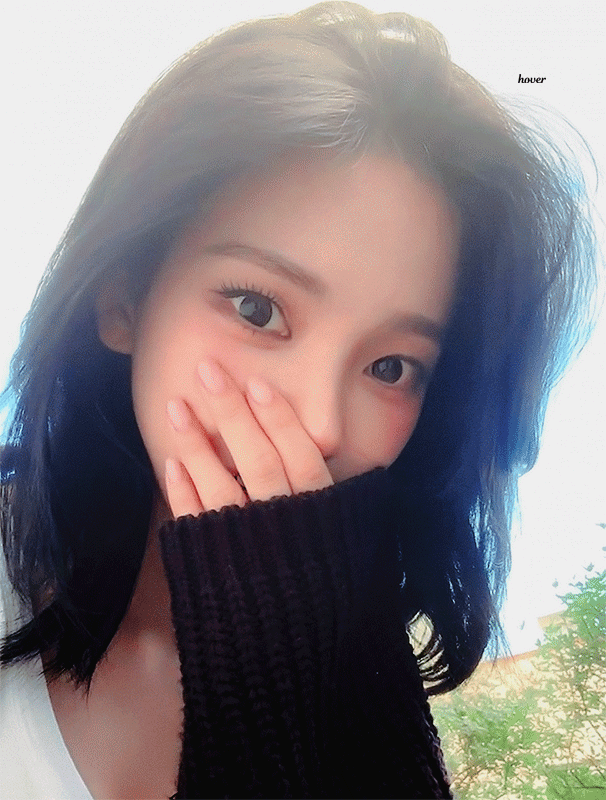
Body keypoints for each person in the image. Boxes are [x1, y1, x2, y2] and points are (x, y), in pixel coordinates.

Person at [0, 2, 597, 798]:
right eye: (256, 309)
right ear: (125, 298)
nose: (320, 424)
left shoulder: (367, 686)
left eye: (391, 366)